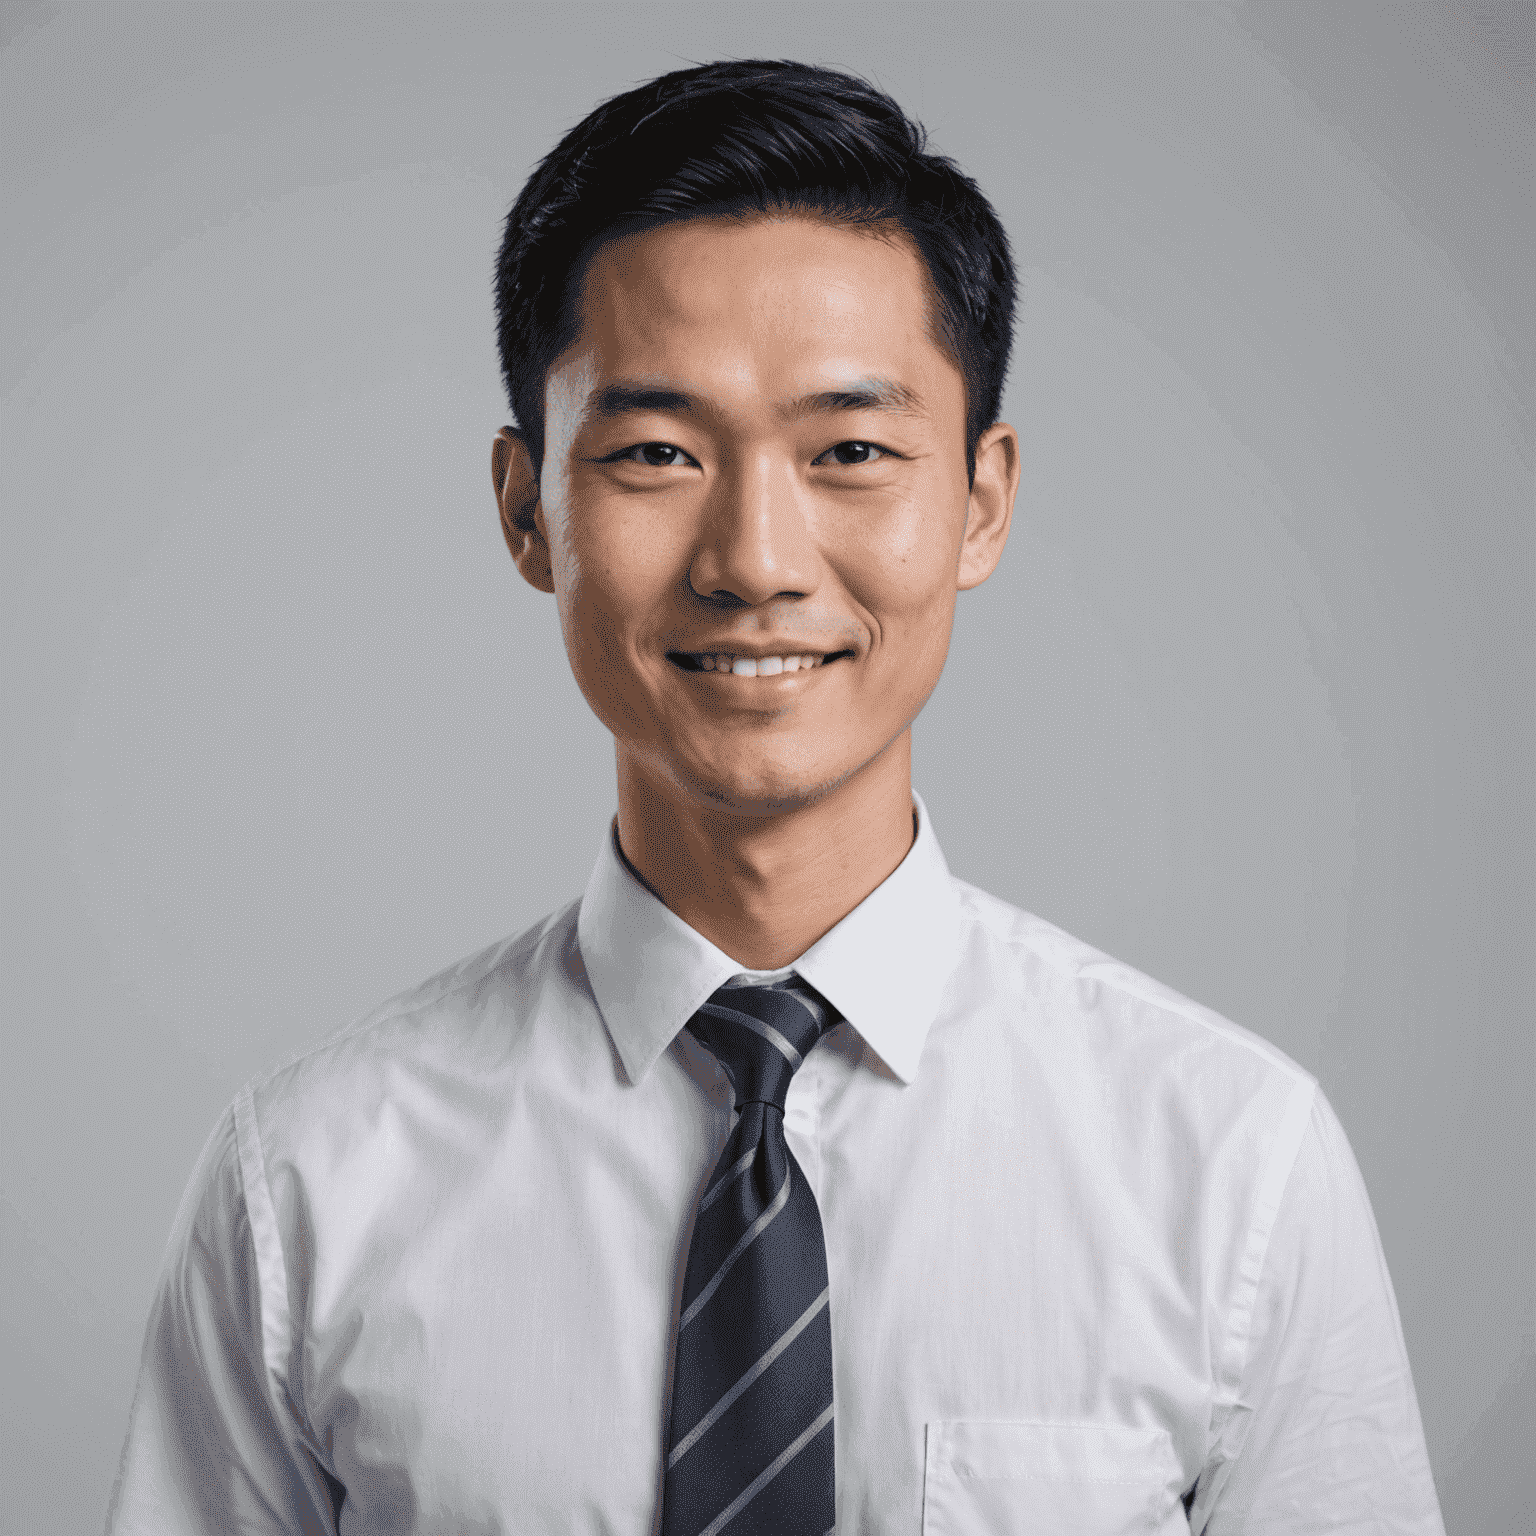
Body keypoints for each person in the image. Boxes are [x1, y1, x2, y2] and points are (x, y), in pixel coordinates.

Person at [106, 59, 1446, 1535]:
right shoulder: (305, 1189)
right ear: (525, 510)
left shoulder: (1228, 1166)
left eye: (852, 452)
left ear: (980, 501)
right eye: (655, 453)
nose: (754, 557)